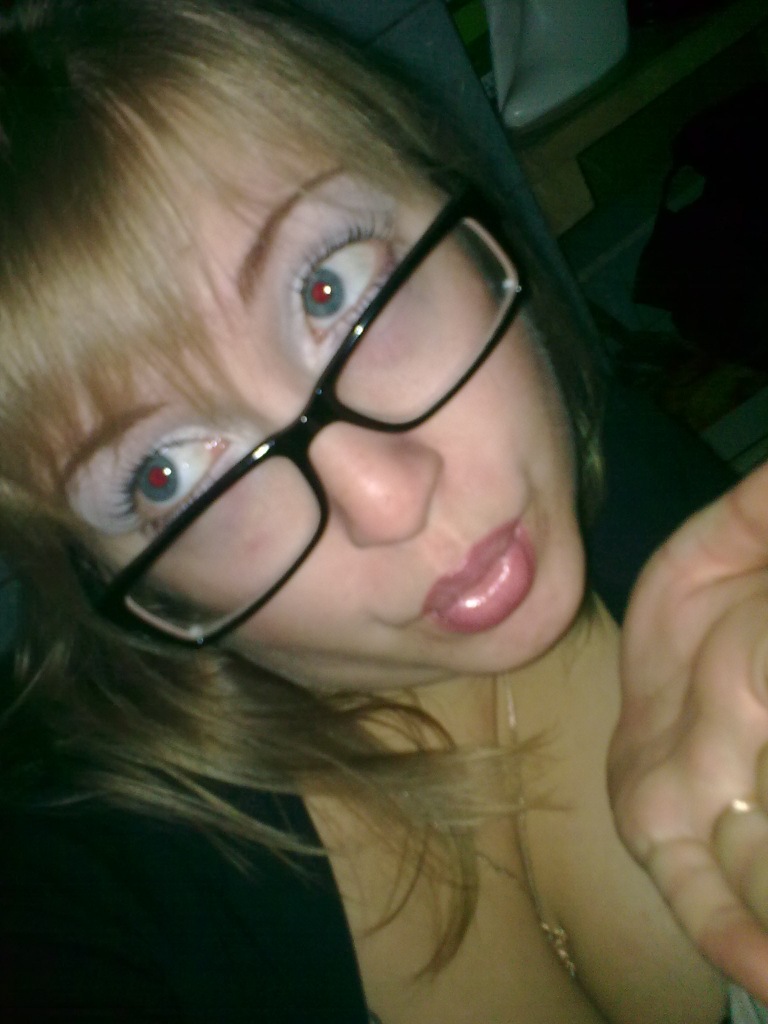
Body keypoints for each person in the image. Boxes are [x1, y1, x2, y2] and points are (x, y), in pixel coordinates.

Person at [0, 1, 767, 1021]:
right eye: (166, 475)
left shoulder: (619, 462)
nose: (389, 498)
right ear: (120, 587)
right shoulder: (92, 896)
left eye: (328, 290)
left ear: (456, 210)